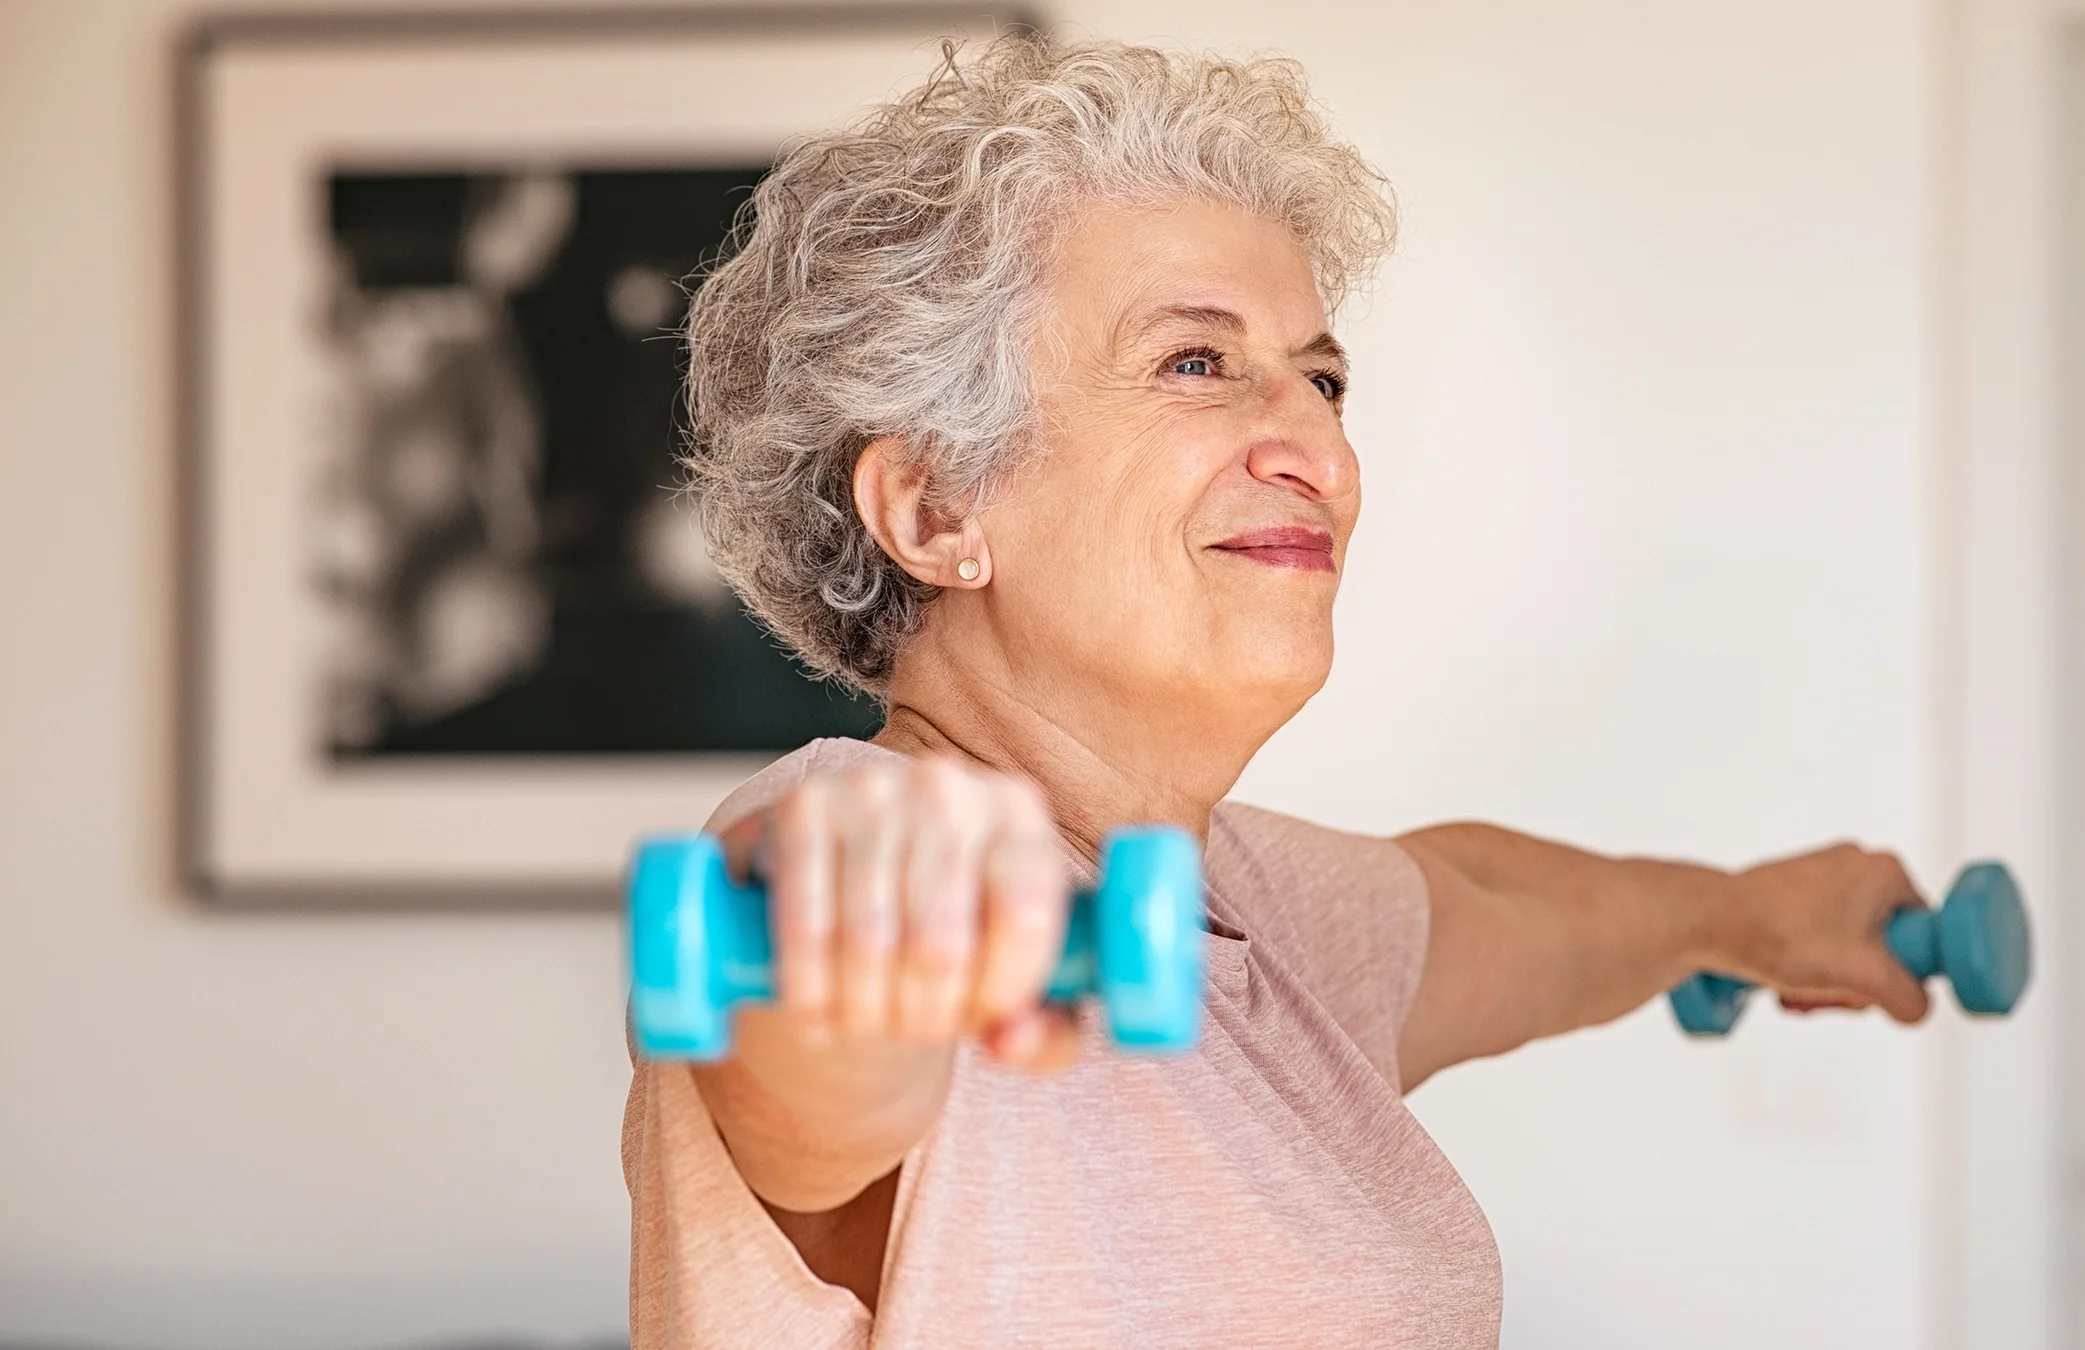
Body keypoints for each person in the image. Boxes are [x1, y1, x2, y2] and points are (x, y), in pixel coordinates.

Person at [624, 35, 1933, 1349]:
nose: (1318, 447)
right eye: (1194, 362)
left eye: (1323, 378)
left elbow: (1499, 902)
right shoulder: (862, 832)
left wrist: (1761, 917)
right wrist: (855, 960)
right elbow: (806, 1053)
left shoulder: (1253, 913)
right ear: (935, 501)